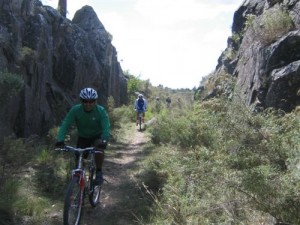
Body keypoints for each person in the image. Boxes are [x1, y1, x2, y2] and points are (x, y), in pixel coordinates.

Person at [55, 87, 110, 185]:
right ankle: (80, 183)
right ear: (81, 101)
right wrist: (60, 140)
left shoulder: (100, 111)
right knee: (79, 162)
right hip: (83, 137)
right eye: (85, 101)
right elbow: (65, 124)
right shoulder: (76, 110)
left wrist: (104, 140)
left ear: (95, 101)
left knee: (99, 148)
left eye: (91, 101)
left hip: (97, 136)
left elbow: (106, 127)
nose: (88, 104)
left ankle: (99, 172)